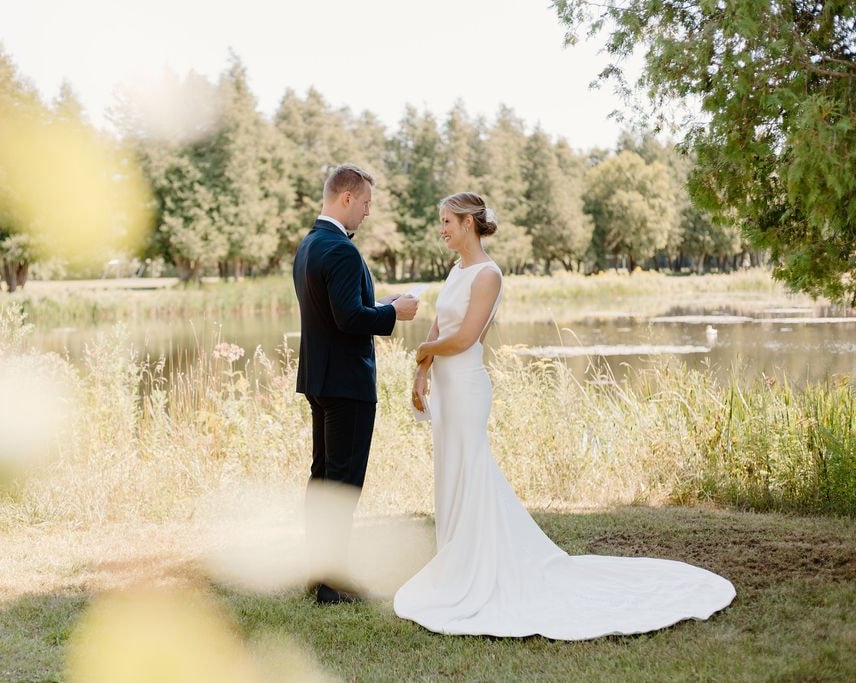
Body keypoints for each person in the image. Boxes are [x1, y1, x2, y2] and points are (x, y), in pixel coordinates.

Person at [393, 192, 735, 638]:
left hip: (469, 387)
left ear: (470, 224)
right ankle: (456, 560)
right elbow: (440, 327)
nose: (442, 229)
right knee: (451, 471)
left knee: (472, 469)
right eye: (440, 221)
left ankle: (477, 568)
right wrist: (422, 372)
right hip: (445, 387)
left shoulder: (488, 274)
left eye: (447, 222)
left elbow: (464, 337)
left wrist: (423, 349)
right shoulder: (456, 270)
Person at [293, 163, 419, 604]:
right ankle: (332, 583)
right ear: (346, 198)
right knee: (342, 482)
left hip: (319, 378)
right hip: (347, 383)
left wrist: (378, 303)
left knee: (323, 478)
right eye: (365, 203)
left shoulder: (310, 245)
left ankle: (319, 572)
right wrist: (393, 313)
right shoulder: (342, 251)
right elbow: (349, 319)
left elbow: (337, 311)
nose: (367, 212)